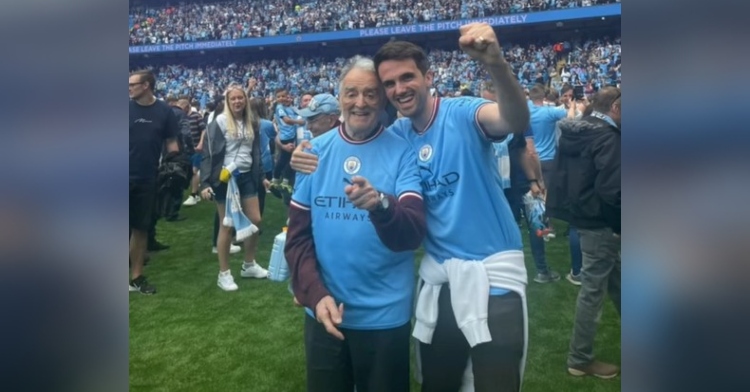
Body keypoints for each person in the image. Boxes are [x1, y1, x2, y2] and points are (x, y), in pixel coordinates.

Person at [291, 24, 531, 392]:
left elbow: (514, 121)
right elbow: (302, 233)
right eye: (389, 84)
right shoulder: (396, 138)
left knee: (495, 383)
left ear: (428, 77)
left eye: (407, 78)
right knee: (437, 383)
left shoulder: (461, 113)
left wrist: (496, 64)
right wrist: (309, 286)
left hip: (493, 274)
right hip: (438, 278)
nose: (398, 89)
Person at [285, 56, 426, 392]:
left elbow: (412, 235)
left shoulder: (403, 152)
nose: (360, 103)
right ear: (339, 97)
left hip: (385, 317)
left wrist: (380, 205)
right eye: (351, 93)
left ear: (382, 100)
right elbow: (298, 239)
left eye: (370, 94)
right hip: (325, 312)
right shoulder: (313, 152)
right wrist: (315, 295)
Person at [546, 86, 621, 379]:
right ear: (615, 108)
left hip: (583, 215)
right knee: (593, 290)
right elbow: (613, 190)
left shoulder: (577, 130)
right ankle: (580, 357)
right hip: (600, 221)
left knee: (617, 278)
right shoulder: (607, 137)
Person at [200, 84, 268, 291]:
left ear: (246, 100)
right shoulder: (220, 121)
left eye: (241, 98)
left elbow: (255, 151)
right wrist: (204, 182)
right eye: (233, 99)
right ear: (227, 102)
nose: (237, 101)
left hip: (247, 176)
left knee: (255, 220)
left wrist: (263, 176)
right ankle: (224, 274)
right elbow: (208, 153)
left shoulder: (252, 122)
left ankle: (249, 265)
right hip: (225, 178)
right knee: (227, 225)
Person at [129, 70, 179, 294]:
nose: (128, 88)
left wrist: (175, 165)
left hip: (148, 177)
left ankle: (136, 277)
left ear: (147, 85)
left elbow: (172, 143)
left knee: (141, 228)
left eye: (132, 84)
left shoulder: (164, 111)